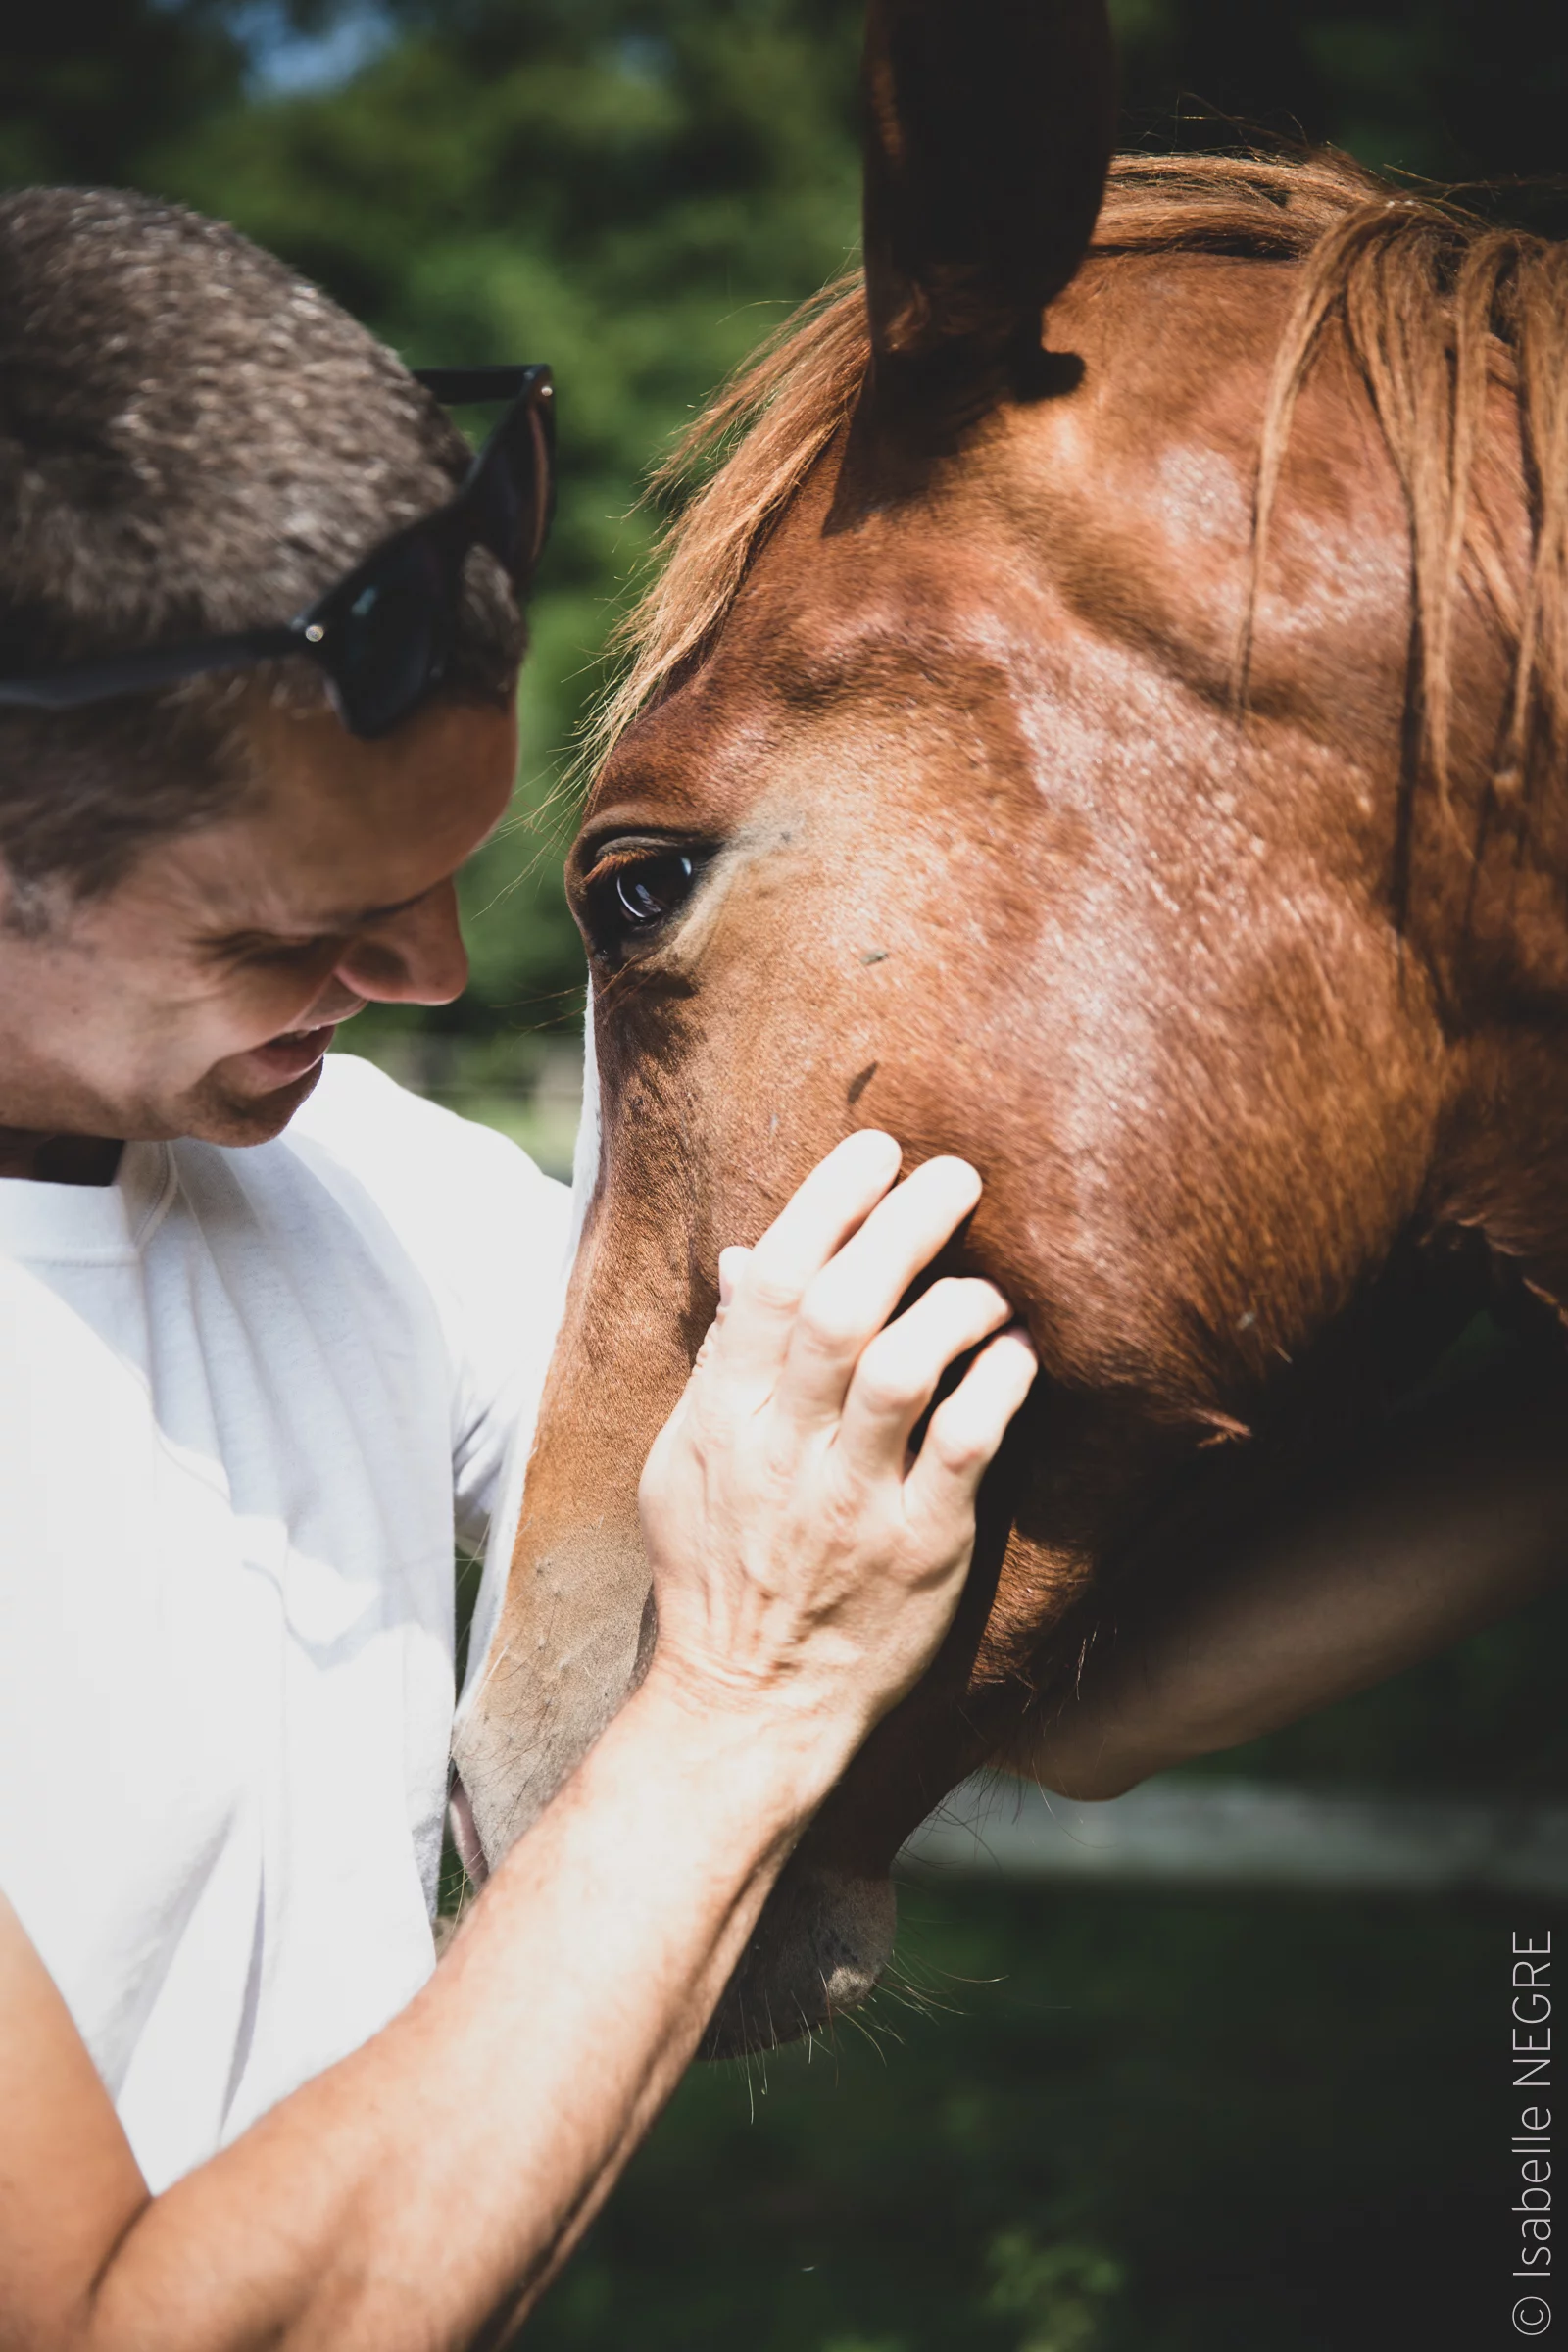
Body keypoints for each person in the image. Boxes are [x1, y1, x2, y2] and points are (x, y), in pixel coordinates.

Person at [0, 184, 1560, 2349]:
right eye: (295, 929)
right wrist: (741, 1710)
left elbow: (1101, 1693)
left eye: (442, 883)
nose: (432, 975)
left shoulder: (327, 1183)